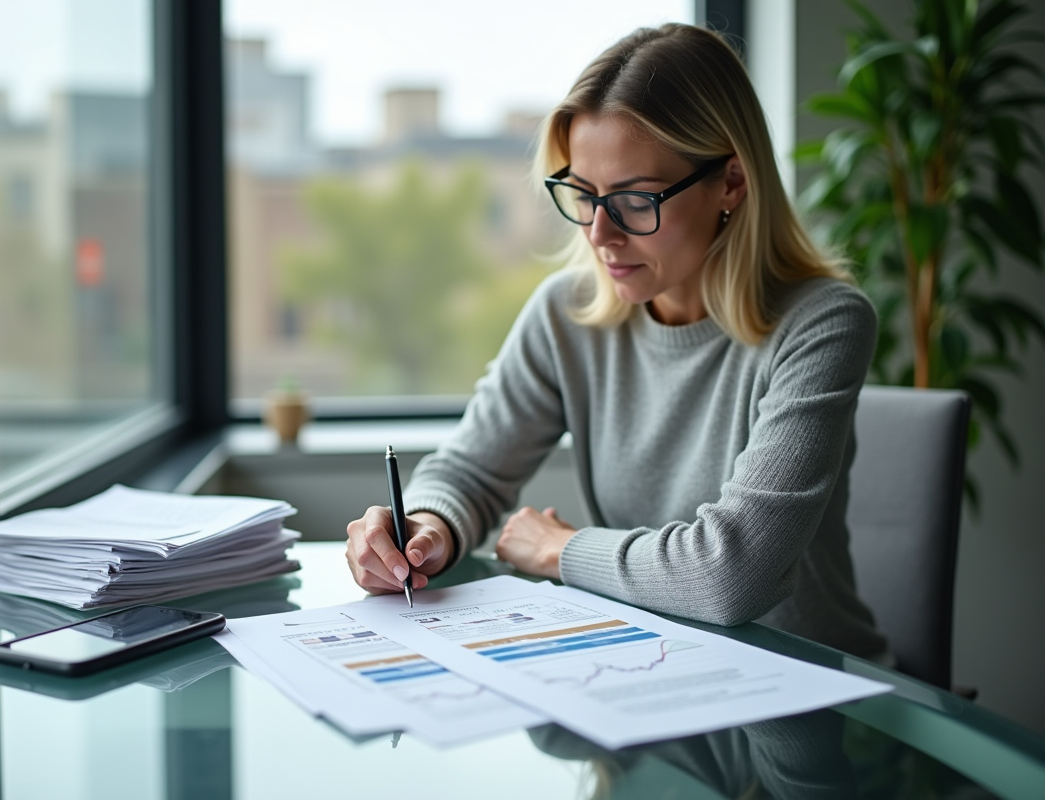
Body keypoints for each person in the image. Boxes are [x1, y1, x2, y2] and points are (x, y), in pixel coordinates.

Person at [345, 23, 887, 659]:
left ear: (732, 183)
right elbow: (471, 470)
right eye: (584, 194)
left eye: (634, 199)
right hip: (643, 671)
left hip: (804, 696)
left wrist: (558, 550)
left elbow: (733, 575)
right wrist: (425, 528)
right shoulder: (566, 314)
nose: (600, 234)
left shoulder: (822, 323)